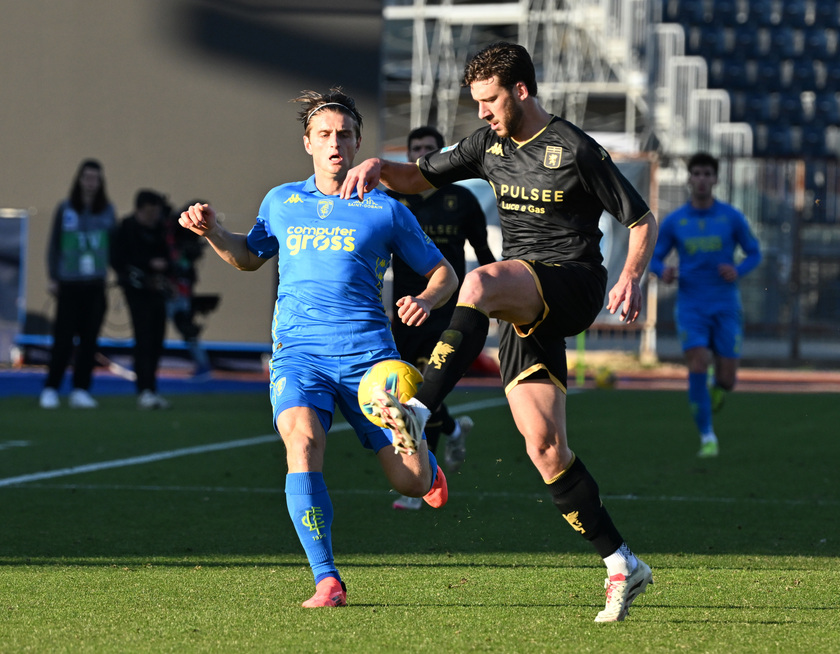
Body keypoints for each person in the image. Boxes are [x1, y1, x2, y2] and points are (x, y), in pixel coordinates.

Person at [341, 42, 658, 622]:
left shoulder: (574, 148)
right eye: (476, 102)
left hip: (572, 284)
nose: (482, 112)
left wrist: (633, 276)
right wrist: (375, 167)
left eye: (490, 101)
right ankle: (622, 563)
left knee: (480, 281)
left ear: (521, 91)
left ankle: (417, 406)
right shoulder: (487, 144)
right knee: (544, 449)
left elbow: (640, 219)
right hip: (524, 307)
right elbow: (416, 176)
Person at [178, 88, 457, 608]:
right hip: (299, 355)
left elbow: (445, 272)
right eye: (324, 134)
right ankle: (326, 579)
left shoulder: (385, 210)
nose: (335, 143)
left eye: (345, 135)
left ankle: (422, 456)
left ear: (356, 144)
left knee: (412, 484)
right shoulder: (281, 202)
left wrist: (424, 297)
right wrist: (214, 231)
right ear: (307, 142)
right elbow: (248, 256)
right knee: (302, 444)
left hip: (371, 362)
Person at [387, 126, 497, 511]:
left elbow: (484, 254)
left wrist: (500, 301)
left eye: (428, 150)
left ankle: (418, 484)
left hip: (447, 310)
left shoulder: (463, 200)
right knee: (408, 389)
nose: (420, 155)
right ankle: (452, 430)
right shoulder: (393, 201)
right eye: (414, 149)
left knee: (419, 389)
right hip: (404, 310)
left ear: (441, 155)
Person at [649, 152, 762, 458]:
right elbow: (655, 257)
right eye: (696, 173)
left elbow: (754, 252)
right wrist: (664, 271)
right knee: (697, 363)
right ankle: (707, 437)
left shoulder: (731, 217)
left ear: (715, 179)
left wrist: (737, 270)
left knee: (727, 379)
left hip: (725, 305)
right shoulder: (676, 220)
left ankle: (717, 389)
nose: (701, 179)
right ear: (690, 179)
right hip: (691, 306)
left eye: (706, 174)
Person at [39, 159, 117, 410]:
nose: (91, 183)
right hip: (69, 284)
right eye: (87, 177)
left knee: (89, 341)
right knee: (62, 339)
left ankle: (80, 390)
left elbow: (114, 246)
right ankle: (51, 388)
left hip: (95, 284)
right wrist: (53, 276)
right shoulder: (65, 209)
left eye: (96, 178)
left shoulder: (107, 211)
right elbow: (54, 245)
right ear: (79, 179)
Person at [111, 189, 172, 410]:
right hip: (136, 292)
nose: (153, 217)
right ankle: (144, 389)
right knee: (144, 337)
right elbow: (118, 260)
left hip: (158, 291)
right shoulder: (126, 229)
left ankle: (151, 388)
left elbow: (169, 256)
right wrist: (147, 266)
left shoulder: (159, 229)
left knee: (157, 338)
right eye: (149, 212)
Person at [165, 201, 212, 378]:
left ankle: (203, 365)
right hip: (170, 290)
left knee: (186, 328)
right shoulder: (172, 232)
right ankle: (203, 364)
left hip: (180, 292)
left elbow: (185, 269)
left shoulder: (185, 242)